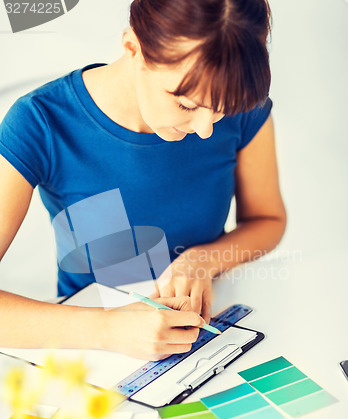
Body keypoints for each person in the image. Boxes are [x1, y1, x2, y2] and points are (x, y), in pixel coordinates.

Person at [0, 0, 286, 360]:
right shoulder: (40, 123)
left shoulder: (239, 104)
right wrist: (105, 329)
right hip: (89, 353)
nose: (205, 128)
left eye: (222, 110)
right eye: (185, 104)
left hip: (208, 337)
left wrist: (204, 260)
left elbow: (267, 220)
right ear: (133, 47)